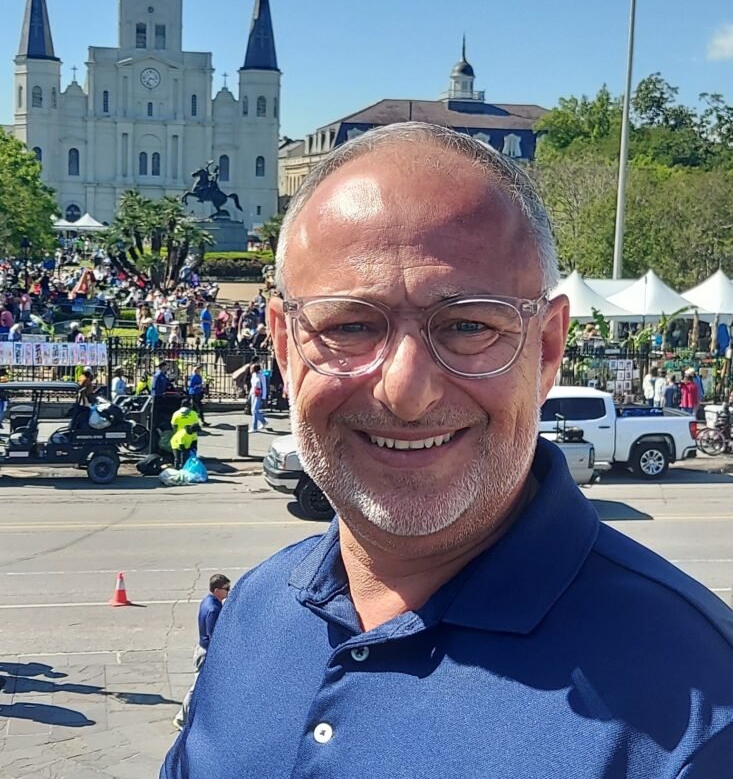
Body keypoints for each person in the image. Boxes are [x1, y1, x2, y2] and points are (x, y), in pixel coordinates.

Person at [161, 123, 733, 778]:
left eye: (467, 325)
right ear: (286, 348)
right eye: (348, 325)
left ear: (546, 349)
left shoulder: (695, 710)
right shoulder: (256, 613)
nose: (405, 391)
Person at [173, 573, 231, 731]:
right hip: (207, 653)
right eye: (227, 589)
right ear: (217, 590)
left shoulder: (207, 601)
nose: (229, 592)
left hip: (203, 649)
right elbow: (214, 636)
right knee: (197, 687)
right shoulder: (213, 609)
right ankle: (181, 718)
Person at [169, 398, 201, 469]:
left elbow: (173, 425)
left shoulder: (176, 414)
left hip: (179, 436)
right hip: (191, 436)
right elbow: (196, 424)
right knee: (190, 454)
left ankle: (178, 469)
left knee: (178, 456)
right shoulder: (193, 414)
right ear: (189, 405)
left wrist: (176, 432)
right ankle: (188, 467)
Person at [248, 361, 267, 432]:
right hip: (253, 393)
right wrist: (250, 394)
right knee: (253, 411)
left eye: (252, 368)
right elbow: (252, 385)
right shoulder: (253, 375)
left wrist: (264, 397)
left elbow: (264, 387)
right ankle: (263, 422)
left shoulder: (261, 376)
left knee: (254, 410)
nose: (250, 370)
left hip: (259, 394)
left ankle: (254, 426)